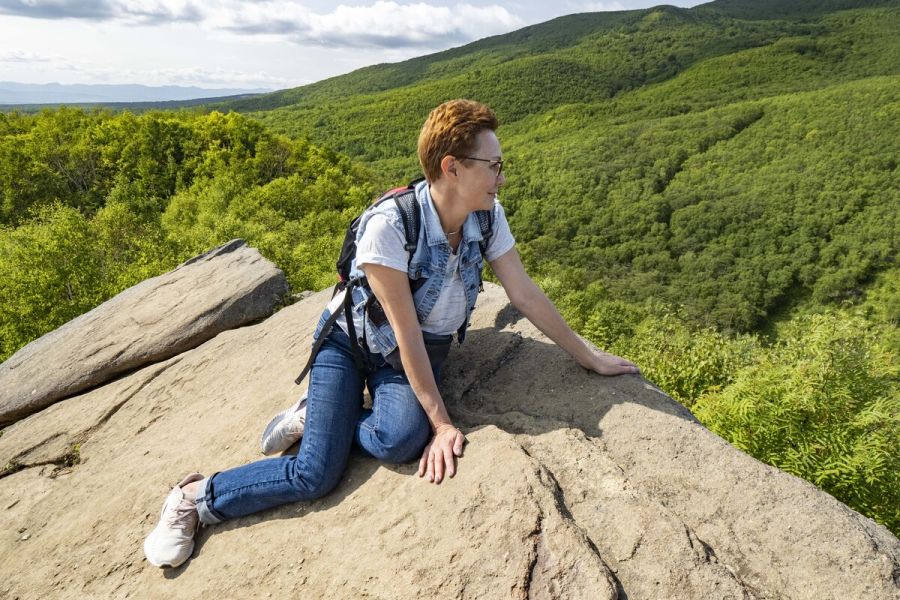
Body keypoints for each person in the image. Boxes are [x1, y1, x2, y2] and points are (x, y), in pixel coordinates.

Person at [143, 99, 639, 568]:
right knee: (316, 473)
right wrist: (443, 424)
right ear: (452, 167)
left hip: (420, 350)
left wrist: (589, 357)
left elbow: (524, 294)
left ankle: (319, 416)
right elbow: (404, 332)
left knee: (401, 439)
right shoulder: (390, 224)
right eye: (493, 165)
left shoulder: (486, 217)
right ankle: (194, 497)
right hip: (350, 344)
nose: (501, 177)